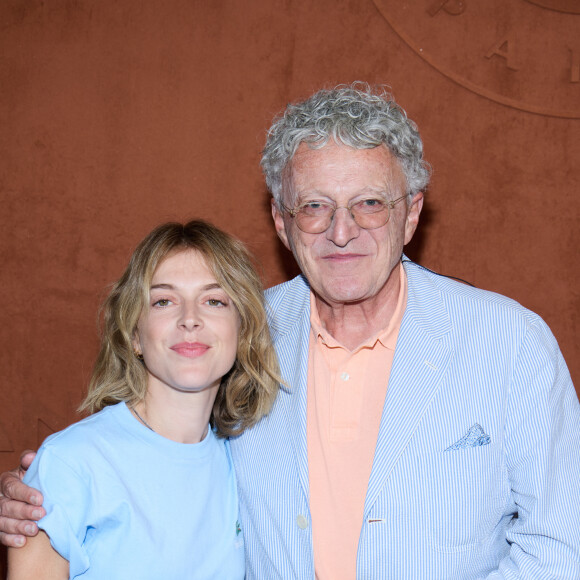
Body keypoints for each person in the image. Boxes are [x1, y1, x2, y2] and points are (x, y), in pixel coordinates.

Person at [2, 84, 580, 579]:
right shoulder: (240, 334)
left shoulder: (510, 342)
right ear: (282, 221)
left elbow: (562, 544)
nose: (341, 231)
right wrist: (49, 497)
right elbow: (161, 449)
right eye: (314, 207)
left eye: (370, 203)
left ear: (411, 214)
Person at [5, 220, 279, 579]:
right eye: (164, 301)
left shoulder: (244, 461)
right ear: (135, 335)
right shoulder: (73, 462)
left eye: (214, 300)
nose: (190, 319)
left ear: (241, 331)